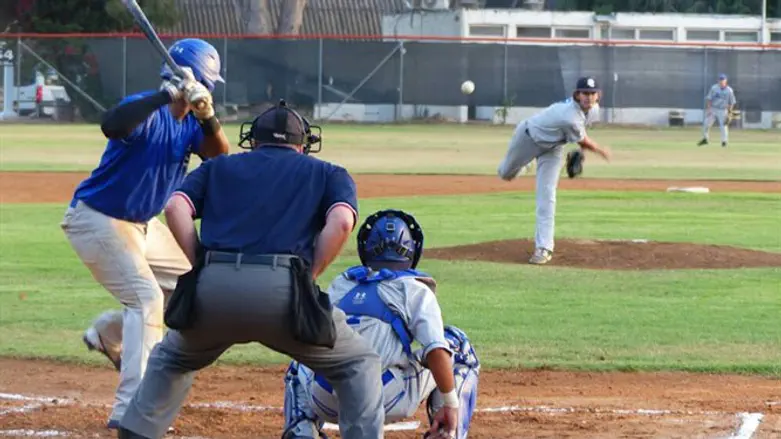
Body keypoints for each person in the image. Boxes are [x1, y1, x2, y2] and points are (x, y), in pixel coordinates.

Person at [116, 100, 385, 439]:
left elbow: (175, 207)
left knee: (172, 358)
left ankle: (136, 432)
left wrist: (200, 262)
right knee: (357, 363)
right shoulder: (328, 172)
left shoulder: (219, 167)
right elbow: (343, 221)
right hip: (285, 293)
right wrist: (311, 273)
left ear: (253, 141)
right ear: (302, 145)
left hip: (212, 290)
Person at [59, 38, 230, 429]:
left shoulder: (190, 122)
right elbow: (111, 124)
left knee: (189, 287)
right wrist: (165, 95)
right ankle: (131, 411)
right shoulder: (146, 110)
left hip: (142, 224)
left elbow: (220, 157)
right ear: (196, 76)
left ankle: (106, 333)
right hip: (98, 219)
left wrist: (208, 116)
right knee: (146, 299)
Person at [282, 209, 481, 439]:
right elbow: (436, 350)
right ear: (412, 250)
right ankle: (447, 433)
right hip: (383, 398)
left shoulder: (342, 283)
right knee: (458, 345)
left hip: (325, 396)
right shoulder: (415, 289)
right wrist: (450, 402)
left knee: (300, 361)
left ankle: (301, 432)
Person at [496, 76, 611, 265]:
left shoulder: (593, 111)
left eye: (592, 93)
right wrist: (600, 151)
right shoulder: (569, 115)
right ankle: (524, 165)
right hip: (528, 138)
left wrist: (581, 151)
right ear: (577, 94)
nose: (588, 97)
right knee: (505, 174)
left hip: (554, 148)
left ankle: (543, 248)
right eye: (585, 93)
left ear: (598, 96)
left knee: (547, 195)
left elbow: (580, 131)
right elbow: (582, 139)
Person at [697, 73, 736, 148]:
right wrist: (709, 109)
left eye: (723, 80)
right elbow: (709, 99)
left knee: (723, 126)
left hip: (723, 110)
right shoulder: (714, 88)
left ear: (726, 81)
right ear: (718, 81)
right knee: (706, 124)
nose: (721, 82)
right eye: (720, 80)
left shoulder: (729, 91)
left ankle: (724, 142)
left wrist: (729, 112)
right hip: (713, 108)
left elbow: (732, 102)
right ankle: (705, 139)